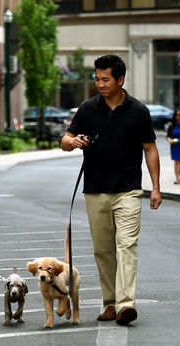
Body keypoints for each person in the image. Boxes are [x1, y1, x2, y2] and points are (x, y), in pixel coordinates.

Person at [61, 55, 161, 326]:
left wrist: (156, 188)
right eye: (97, 78)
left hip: (128, 190)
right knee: (103, 250)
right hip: (95, 190)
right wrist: (72, 142)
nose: (100, 84)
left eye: (105, 79)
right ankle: (110, 303)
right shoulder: (87, 108)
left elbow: (150, 148)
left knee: (126, 245)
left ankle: (126, 304)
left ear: (120, 80)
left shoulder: (138, 111)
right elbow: (65, 139)